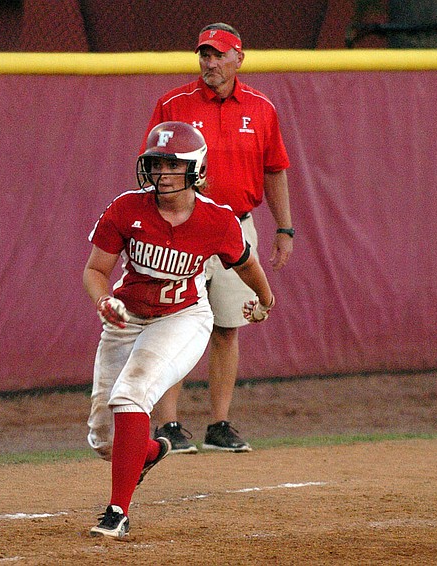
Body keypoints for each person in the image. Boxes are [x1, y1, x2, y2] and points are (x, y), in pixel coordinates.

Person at [84, 121, 275, 539]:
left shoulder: (217, 219)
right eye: (156, 163)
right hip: (127, 318)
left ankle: (117, 511)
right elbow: (96, 270)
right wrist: (104, 300)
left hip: (182, 316)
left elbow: (245, 262)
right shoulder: (127, 208)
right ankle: (150, 451)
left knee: (130, 396)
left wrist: (265, 299)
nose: (161, 172)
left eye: (172, 164)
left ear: (195, 170)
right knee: (103, 440)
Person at [141, 22, 293, 454]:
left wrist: (284, 228)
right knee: (172, 323)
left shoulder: (261, 108)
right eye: (204, 54)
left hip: (236, 224)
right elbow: (152, 166)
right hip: (182, 227)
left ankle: (219, 423)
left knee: (227, 326)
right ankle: (168, 424)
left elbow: (275, 169)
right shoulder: (174, 104)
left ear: (238, 58)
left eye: (218, 54)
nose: (209, 62)